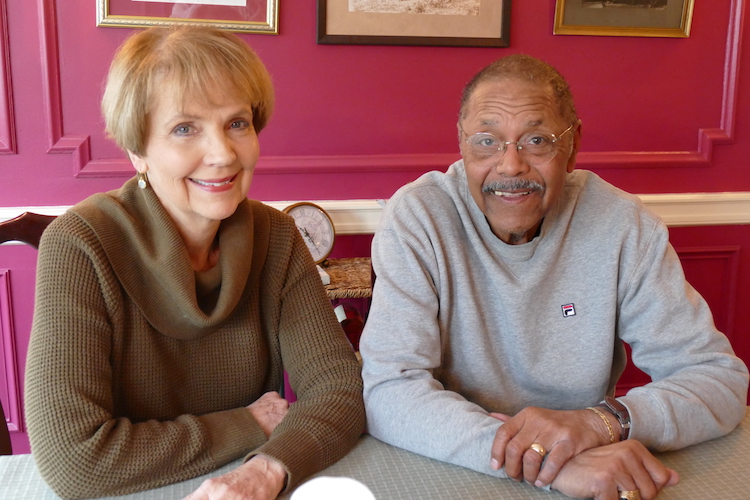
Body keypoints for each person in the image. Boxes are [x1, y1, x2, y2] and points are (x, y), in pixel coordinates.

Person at [360, 54, 748, 500]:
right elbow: (389, 391)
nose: (510, 166)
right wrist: (546, 462)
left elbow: (720, 381)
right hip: (454, 464)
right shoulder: (418, 217)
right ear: (461, 143)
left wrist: (599, 423)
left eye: (536, 140)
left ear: (573, 145)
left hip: (589, 462)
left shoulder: (623, 224)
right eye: (486, 141)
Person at [24, 26, 365, 500]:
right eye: (185, 128)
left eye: (237, 123)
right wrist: (245, 425)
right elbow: (75, 460)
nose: (223, 154)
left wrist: (265, 470)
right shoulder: (81, 244)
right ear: (137, 150)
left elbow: (339, 393)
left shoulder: (278, 237)